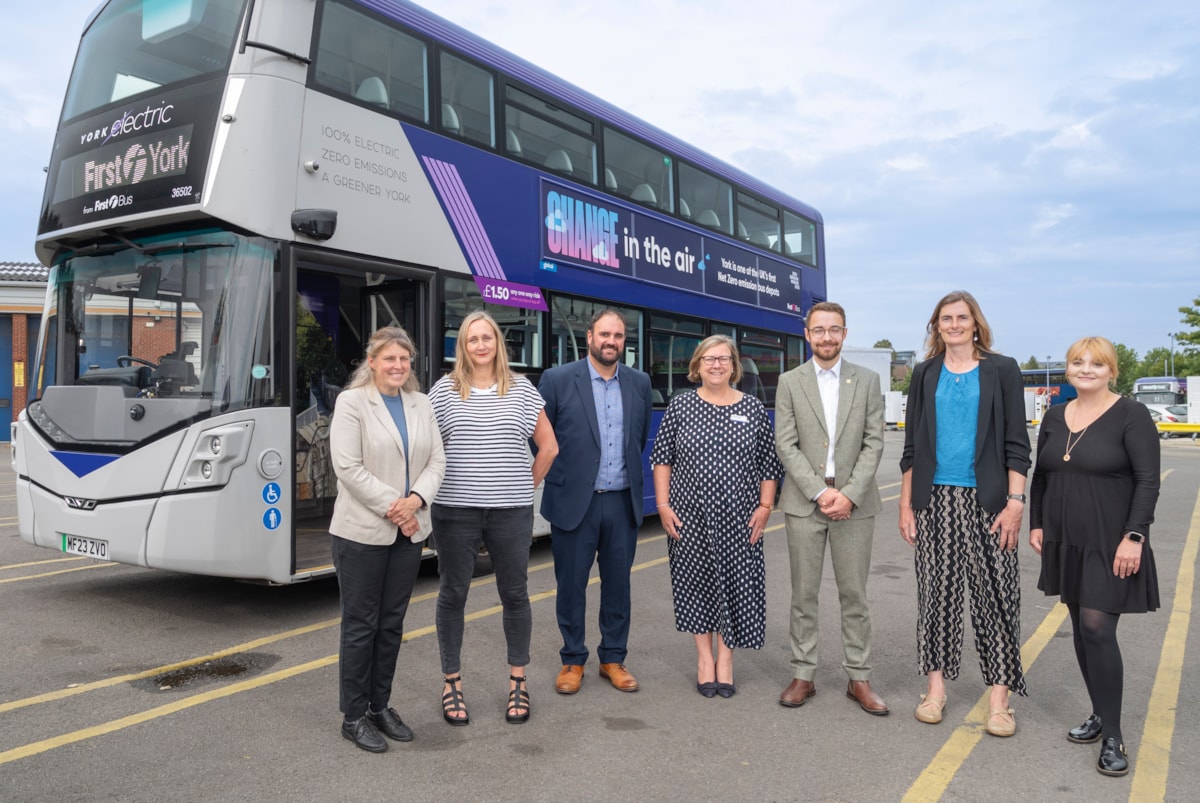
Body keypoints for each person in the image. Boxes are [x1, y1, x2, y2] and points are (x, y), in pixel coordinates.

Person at [898, 291, 1031, 737]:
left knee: (997, 599)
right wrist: (906, 504)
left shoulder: (1002, 370)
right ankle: (934, 691)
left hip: (990, 501)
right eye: (944, 318)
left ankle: (1000, 699)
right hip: (934, 501)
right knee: (936, 598)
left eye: (962, 317)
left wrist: (1016, 503)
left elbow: (1017, 442)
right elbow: (912, 447)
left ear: (976, 324)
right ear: (935, 326)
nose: (953, 324)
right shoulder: (924, 374)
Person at [1029, 337, 1160, 777]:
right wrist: (1038, 524)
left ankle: (1114, 736)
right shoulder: (1053, 415)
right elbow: (1042, 477)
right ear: (1067, 369)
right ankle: (1101, 713)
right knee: (1082, 632)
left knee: (1096, 627)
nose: (1086, 369)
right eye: (1077, 362)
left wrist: (1135, 535)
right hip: (1066, 538)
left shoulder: (1132, 415)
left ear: (1111, 371)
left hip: (1111, 540)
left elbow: (1147, 480)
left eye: (1096, 364)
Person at [428, 312, 559, 726]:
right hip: (454, 511)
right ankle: (452, 683)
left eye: (487, 338)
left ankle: (518, 682)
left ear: (498, 343)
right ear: (462, 347)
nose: (480, 345)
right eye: (472, 339)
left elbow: (549, 447)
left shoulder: (521, 389)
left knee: (515, 595)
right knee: (453, 595)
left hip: (510, 511)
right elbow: (426, 450)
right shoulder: (444, 391)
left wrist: (524, 485)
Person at [328, 326, 445, 753]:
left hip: (408, 531)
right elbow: (348, 466)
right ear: (372, 361)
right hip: (362, 533)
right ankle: (354, 716)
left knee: (392, 625)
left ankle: (380, 706)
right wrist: (398, 507)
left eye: (404, 359)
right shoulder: (352, 402)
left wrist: (416, 500)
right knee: (361, 626)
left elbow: (437, 459)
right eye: (389, 358)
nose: (398, 366)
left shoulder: (421, 403)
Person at [651, 335, 782, 698]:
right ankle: (703, 659)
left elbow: (769, 465)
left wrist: (765, 506)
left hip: (740, 517)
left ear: (734, 365)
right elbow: (662, 459)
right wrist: (662, 505)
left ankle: (726, 659)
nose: (716, 365)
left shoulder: (753, 408)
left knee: (737, 585)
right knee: (696, 585)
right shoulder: (680, 407)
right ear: (697, 364)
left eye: (724, 359)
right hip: (688, 516)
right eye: (709, 359)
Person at [774, 302, 888, 714]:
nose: (826, 337)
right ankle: (803, 674)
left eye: (834, 330)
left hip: (856, 505)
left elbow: (874, 441)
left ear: (844, 333)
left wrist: (849, 493)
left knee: (854, 594)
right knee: (803, 594)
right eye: (818, 330)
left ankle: (859, 677)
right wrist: (820, 494)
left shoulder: (868, 380)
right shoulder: (789, 381)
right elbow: (785, 444)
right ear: (807, 334)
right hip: (806, 504)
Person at [538, 309, 652, 694]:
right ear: (589, 337)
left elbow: (637, 440)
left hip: (621, 502)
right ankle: (572, 660)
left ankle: (613, 658)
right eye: (605, 333)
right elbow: (539, 439)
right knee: (570, 586)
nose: (611, 341)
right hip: (574, 502)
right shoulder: (556, 380)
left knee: (618, 586)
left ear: (624, 341)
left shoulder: (639, 383)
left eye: (618, 335)